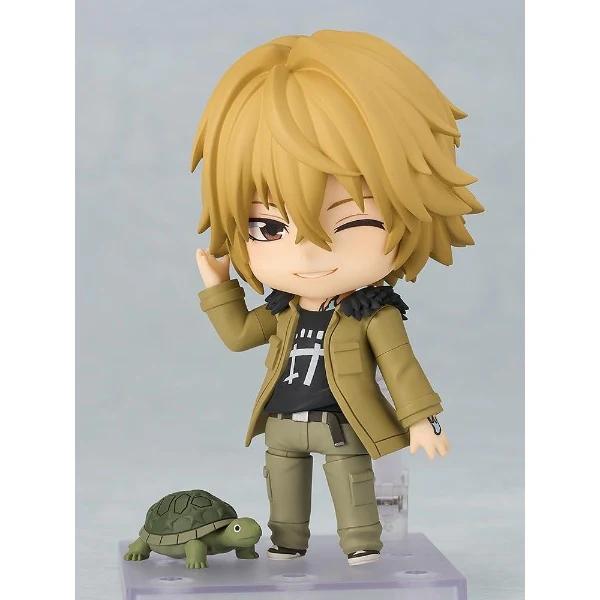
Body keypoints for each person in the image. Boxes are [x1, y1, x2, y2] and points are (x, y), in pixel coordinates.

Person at [191, 30, 483, 566]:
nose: (307, 254)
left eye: (354, 222)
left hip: (343, 425)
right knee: (282, 485)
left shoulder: (371, 313)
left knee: (351, 483)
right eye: (269, 227)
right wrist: (219, 288)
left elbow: (399, 365)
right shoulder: (282, 310)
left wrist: (421, 419)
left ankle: (361, 543)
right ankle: (287, 541)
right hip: (283, 424)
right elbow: (238, 335)